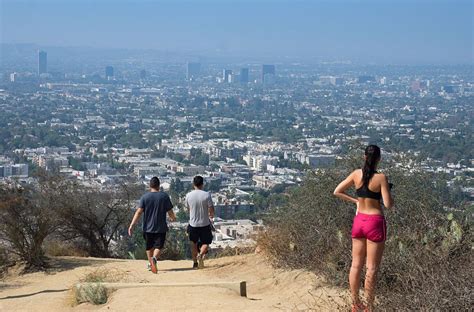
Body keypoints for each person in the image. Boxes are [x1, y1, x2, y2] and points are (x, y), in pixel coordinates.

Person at [333, 145, 393, 312]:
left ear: (364, 156)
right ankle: (369, 307)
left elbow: (337, 191)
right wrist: (387, 191)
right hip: (375, 221)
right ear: (379, 159)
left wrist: (357, 201)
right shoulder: (381, 177)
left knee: (355, 265)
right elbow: (388, 205)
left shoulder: (356, 174)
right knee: (371, 268)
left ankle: (355, 303)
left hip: (359, 221)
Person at [128, 177, 176, 274]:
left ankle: (150, 263)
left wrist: (132, 225)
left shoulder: (145, 197)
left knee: (149, 247)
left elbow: (138, 212)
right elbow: (170, 211)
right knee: (159, 246)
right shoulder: (164, 196)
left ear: (150, 186)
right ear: (159, 186)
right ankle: (154, 259)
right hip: (160, 227)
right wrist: (173, 218)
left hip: (147, 227)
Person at [185, 175, 215, 269]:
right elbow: (211, 209)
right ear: (202, 184)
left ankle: (195, 263)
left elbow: (188, 208)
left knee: (193, 243)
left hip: (193, 224)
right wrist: (211, 215)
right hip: (204, 223)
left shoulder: (188, 195)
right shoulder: (207, 195)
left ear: (193, 184)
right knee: (206, 242)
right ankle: (201, 254)